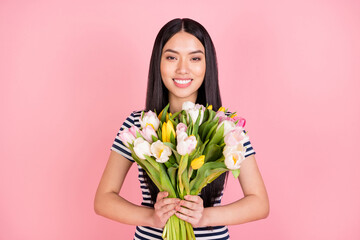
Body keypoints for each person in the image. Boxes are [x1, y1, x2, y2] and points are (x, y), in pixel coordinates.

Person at [94, 18, 269, 240]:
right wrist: (152, 218)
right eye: (171, 57)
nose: (183, 69)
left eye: (195, 58)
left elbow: (259, 203)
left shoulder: (226, 126)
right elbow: (103, 199)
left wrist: (204, 217)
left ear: (208, 65)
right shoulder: (139, 125)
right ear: (158, 63)